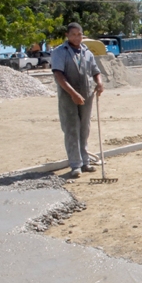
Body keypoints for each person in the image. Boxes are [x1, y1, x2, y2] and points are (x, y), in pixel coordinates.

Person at [51, 23, 104, 179]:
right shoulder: (59, 52)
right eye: (73, 34)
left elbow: (95, 71)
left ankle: (85, 161)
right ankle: (75, 164)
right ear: (67, 35)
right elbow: (59, 75)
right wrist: (73, 93)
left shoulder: (87, 52)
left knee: (84, 128)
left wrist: (99, 82)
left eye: (79, 34)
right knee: (72, 128)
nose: (76, 37)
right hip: (68, 96)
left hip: (86, 95)